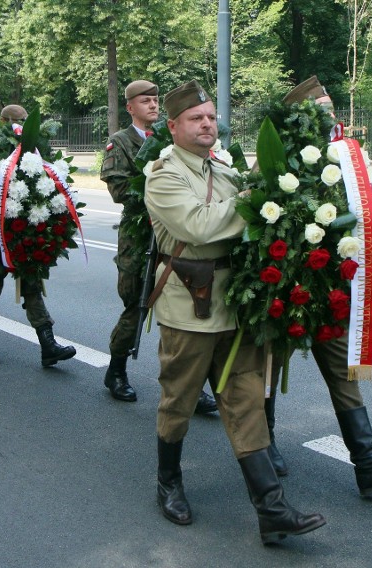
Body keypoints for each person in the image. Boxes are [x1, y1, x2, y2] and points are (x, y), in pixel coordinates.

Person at [144, 80, 325, 544]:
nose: (207, 124)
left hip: (235, 307)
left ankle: (272, 509)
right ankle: (168, 482)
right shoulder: (163, 176)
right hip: (189, 308)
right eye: (195, 119)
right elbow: (199, 226)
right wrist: (255, 200)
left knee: (247, 404)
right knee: (179, 402)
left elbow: (258, 208)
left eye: (209, 117)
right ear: (173, 127)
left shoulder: (221, 171)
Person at [263, 76, 372, 496]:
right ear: (302, 114)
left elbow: (368, 207)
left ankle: (368, 465)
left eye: (332, 105)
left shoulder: (349, 158)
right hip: (288, 285)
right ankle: (263, 444)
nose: (331, 114)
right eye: (322, 107)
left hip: (331, 283)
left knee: (342, 369)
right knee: (269, 366)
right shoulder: (282, 157)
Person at [99, 79, 219, 415]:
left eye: (155, 100)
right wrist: (156, 179)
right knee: (136, 304)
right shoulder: (120, 142)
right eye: (145, 100)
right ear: (130, 107)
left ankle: (189, 386)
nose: (152, 105)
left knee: (183, 309)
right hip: (140, 236)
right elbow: (120, 190)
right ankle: (117, 371)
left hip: (176, 235)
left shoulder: (173, 138)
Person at [0, 104, 77, 368]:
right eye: (13, 122)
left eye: (22, 121)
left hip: (25, 230)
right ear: (2, 122)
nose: (17, 126)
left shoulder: (37, 151)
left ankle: (48, 345)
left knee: (32, 285)